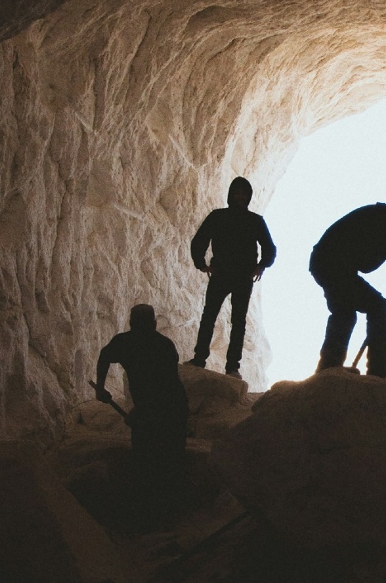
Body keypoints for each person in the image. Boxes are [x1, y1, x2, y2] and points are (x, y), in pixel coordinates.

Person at [310, 200, 386, 377]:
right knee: (376, 306)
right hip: (332, 265)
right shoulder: (384, 218)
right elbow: (383, 247)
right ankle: (378, 367)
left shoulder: (385, 217)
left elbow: (379, 250)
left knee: (344, 313)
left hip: (328, 264)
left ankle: (329, 366)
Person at [189, 177, 276, 379]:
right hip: (222, 273)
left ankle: (232, 367)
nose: (240, 197)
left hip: (242, 277)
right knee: (210, 317)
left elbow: (270, 249)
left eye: (243, 194)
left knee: (236, 322)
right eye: (237, 193)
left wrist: (262, 266)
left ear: (248, 197)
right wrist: (201, 264)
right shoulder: (219, 216)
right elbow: (199, 241)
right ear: (230, 195)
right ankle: (200, 359)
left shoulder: (254, 221)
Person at [95, 304, 190, 469]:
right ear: (154, 324)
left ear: (131, 323)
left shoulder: (126, 342)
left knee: (154, 458)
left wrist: (101, 388)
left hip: (169, 409)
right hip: (170, 408)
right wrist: (100, 388)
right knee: (161, 461)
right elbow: (105, 356)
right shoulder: (164, 345)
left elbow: (165, 389)